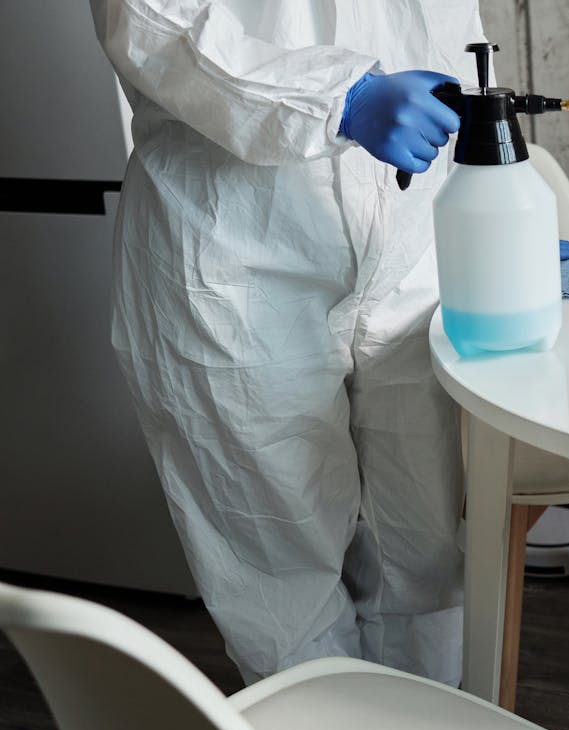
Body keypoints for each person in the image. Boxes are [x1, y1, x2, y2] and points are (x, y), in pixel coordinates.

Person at [90, 1, 490, 685]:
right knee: (275, 561)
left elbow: (453, 38)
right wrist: (342, 98)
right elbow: (149, 21)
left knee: (425, 546)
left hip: (413, 243)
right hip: (234, 252)